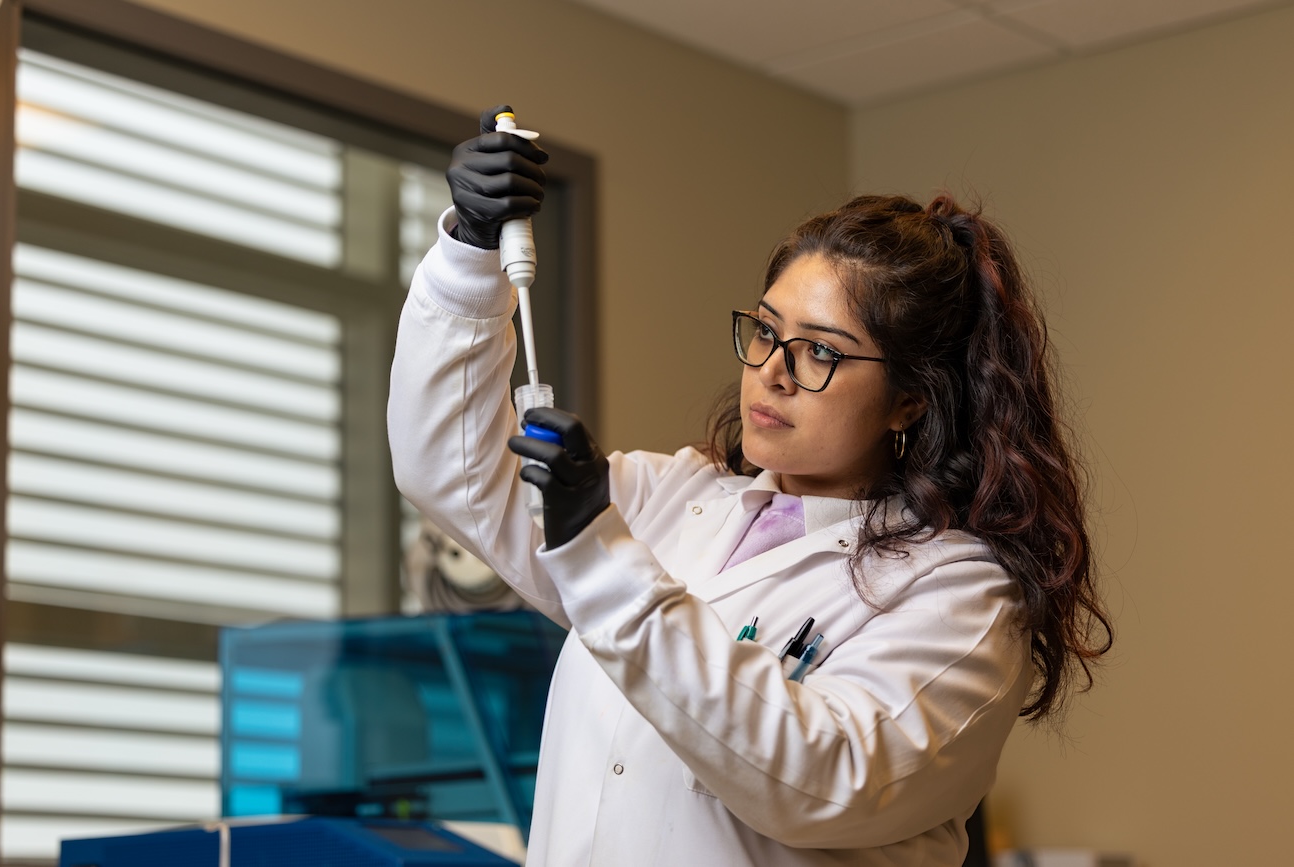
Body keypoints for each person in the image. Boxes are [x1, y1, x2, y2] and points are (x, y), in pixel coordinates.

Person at [387, 106, 1112, 867]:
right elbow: (452, 469)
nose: (772, 370)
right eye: (766, 331)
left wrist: (601, 555)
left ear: (911, 397)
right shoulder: (671, 501)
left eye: (819, 353)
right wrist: (470, 252)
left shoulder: (960, 596)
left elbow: (818, 779)